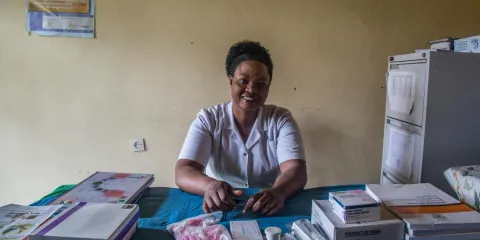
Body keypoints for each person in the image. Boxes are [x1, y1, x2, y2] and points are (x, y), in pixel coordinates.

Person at [175, 40, 307, 216]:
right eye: (243, 81)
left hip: (266, 206)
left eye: (261, 84)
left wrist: (279, 191)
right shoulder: (208, 119)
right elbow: (184, 171)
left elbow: (295, 170)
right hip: (220, 206)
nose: (251, 89)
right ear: (231, 81)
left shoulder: (280, 119)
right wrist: (209, 185)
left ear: (268, 87)